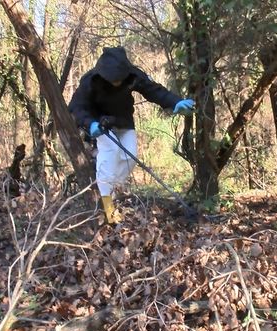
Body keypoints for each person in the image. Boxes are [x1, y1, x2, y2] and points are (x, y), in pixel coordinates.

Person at [69, 47, 194, 224]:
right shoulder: (90, 80)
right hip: (100, 124)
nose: (117, 82)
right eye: (114, 80)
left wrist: (175, 102)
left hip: (124, 121)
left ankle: (110, 189)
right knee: (110, 152)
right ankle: (108, 209)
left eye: (120, 79)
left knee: (130, 156)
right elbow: (76, 107)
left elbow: (153, 90)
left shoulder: (133, 75)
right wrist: (90, 124)